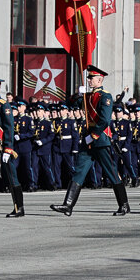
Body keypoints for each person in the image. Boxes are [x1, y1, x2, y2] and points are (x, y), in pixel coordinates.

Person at [51, 66, 129, 216]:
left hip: (99, 139)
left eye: (91, 78)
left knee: (111, 172)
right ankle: (68, 205)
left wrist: (93, 135)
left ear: (100, 80)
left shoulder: (105, 96)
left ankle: (124, 205)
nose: (89, 80)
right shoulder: (87, 96)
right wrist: (76, 95)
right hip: (88, 140)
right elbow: (71, 104)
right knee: (79, 171)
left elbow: (105, 120)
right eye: (89, 78)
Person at [0, 77, 22, 218]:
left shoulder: (3, 105)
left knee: (12, 177)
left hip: (2, 147)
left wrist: (8, 148)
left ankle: (18, 208)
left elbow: (9, 128)